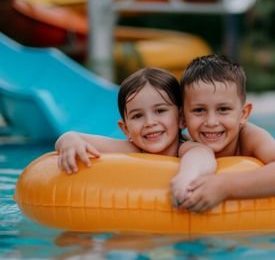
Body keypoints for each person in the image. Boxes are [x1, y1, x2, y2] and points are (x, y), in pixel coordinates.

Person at [55, 67, 216, 206]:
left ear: (181, 118)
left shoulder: (184, 147)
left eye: (160, 111)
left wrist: (186, 177)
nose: (149, 122)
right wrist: (69, 140)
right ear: (125, 129)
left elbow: (201, 155)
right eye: (138, 116)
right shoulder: (133, 149)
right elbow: (76, 137)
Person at [176, 54, 275, 212]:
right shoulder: (185, 146)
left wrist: (225, 186)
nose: (211, 122)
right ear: (182, 118)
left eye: (223, 109)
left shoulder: (249, 136)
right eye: (199, 110)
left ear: (244, 114)